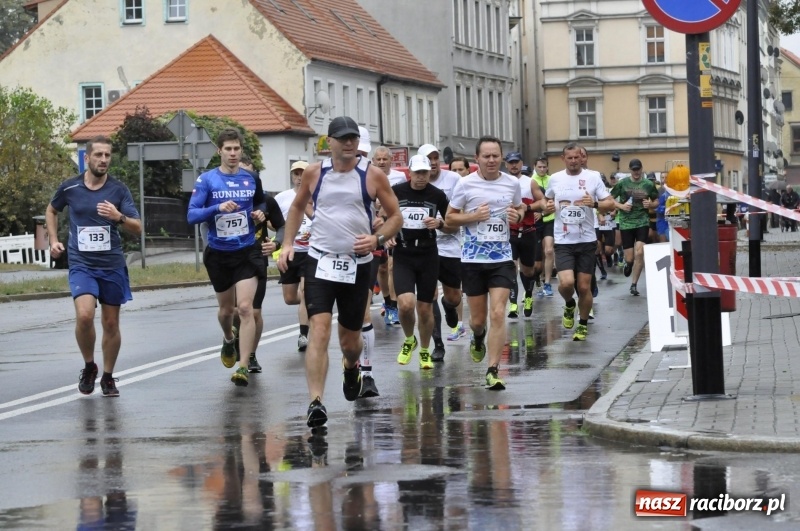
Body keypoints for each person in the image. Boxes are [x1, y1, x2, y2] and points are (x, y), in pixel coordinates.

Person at [278, 116, 402, 428]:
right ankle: (316, 402)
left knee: (350, 341)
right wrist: (288, 243)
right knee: (319, 329)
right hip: (320, 261)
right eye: (343, 138)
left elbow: (395, 216)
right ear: (329, 142)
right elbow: (297, 207)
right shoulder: (315, 173)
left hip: (356, 265)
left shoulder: (372, 175)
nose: (349, 144)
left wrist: (377, 239)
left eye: (353, 139)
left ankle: (351, 367)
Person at [46, 135, 142, 397]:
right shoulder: (70, 188)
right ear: (87, 158)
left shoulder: (119, 190)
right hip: (82, 263)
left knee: (110, 323)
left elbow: (138, 227)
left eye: (107, 155)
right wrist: (53, 240)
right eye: (98, 155)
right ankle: (90, 366)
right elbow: (51, 210)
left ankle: (108, 377)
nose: (103, 159)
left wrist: (119, 217)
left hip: (111, 264)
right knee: (85, 315)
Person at [445, 136, 526, 389]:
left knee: (498, 313)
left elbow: (520, 208)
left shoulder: (512, 183)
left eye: (495, 155)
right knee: (478, 321)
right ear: (477, 159)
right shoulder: (465, 184)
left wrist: (517, 215)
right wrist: (474, 216)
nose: (491, 160)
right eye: (486, 156)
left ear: (501, 157)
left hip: (501, 258)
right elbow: (449, 219)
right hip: (472, 260)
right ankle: (478, 337)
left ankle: (493, 370)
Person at [188, 128, 266, 387]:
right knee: (226, 311)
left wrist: (260, 214)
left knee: (245, 308)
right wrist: (217, 208)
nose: (233, 153)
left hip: (247, 251)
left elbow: (261, 203)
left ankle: (243, 366)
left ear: (241, 150)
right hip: (219, 253)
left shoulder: (251, 178)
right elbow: (192, 215)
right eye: (228, 149)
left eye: (237, 149)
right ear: (219, 151)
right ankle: (228, 338)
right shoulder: (207, 180)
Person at [536, 142, 614, 341]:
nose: (573, 161)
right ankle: (570, 303)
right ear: (563, 159)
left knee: (584, 287)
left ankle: (583, 324)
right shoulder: (555, 179)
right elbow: (545, 201)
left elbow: (610, 203)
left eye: (576, 157)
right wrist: (547, 206)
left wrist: (594, 203)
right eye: (569, 158)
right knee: (566, 283)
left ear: (582, 158)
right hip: (563, 240)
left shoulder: (593, 177)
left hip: (586, 239)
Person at [392, 154, 452, 369]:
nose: (421, 177)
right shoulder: (397, 192)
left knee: (425, 309)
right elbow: (383, 217)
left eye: (425, 173)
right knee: (405, 304)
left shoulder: (437, 195)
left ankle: (425, 350)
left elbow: (453, 225)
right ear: (409, 172)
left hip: (428, 254)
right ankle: (410, 339)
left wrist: (440, 223)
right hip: (403, 253)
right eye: (417, 173)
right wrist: (387, 234)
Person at [238, 154, 285, 374]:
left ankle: (251, 355)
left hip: (256, 258)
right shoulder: (223, 198)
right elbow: (205, 224)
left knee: (253, 311)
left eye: (250, 175)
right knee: (233, 311)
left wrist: (276, 244)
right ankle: (232, 338)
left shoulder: (266, 201)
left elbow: (282, 227)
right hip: (228, 259)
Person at [418, 143, 465, 360]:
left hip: (451, 244)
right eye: (429, 159)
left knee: (454, 297)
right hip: (426, 246)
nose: (434, 162)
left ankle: (449, 306)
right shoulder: (415, 182)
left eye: (436, 158)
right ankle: (438, 344)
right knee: (429, 296)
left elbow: (461, 208)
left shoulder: (453, 180)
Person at [274, 161, 312, 352]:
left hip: (311, 252)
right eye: (296, 174)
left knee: (305, 292)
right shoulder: (282, 198)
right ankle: (317, 299)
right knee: (290, 298)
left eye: (302, 173)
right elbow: (274, 222)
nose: (299, 178)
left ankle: (303, 335)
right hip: (290, 252)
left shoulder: (317, 195)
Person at [609, 158, 659, 296]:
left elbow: (656, 200)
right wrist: (621, 206)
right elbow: (610, 199)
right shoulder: (623, 183)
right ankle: (628, 264)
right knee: (630, 258)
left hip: (642, 221)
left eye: (638, 169)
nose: (636, 172)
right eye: (634, 170)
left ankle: (634, 284)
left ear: (641, 169)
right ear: (630, 170)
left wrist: (651, 205)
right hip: (626, 223)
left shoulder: (648, 184)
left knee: (640, 252)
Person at [371, 146, 403, 325]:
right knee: (382, 268)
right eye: (379, 159)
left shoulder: (399, 177)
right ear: (373, 161)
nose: (382, 162)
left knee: (391, 266)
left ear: (391, 161)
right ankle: (386, 299)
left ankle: (392, 307)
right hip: (372, 225)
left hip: (392, 224)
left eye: (385, 159)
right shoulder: (367, 176)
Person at [531, 156, 555, 297]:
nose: (542, 169)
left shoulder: (552, 180)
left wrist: (543, 213)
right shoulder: (530, 181)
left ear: (547, 167)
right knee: (537, 260)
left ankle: (547, 283)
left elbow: (555, 201)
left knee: (549, 250)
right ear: (534, 167)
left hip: (550, 220)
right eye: (539, 166)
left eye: (544, 166)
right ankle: (537, 280)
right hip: (535, 222)